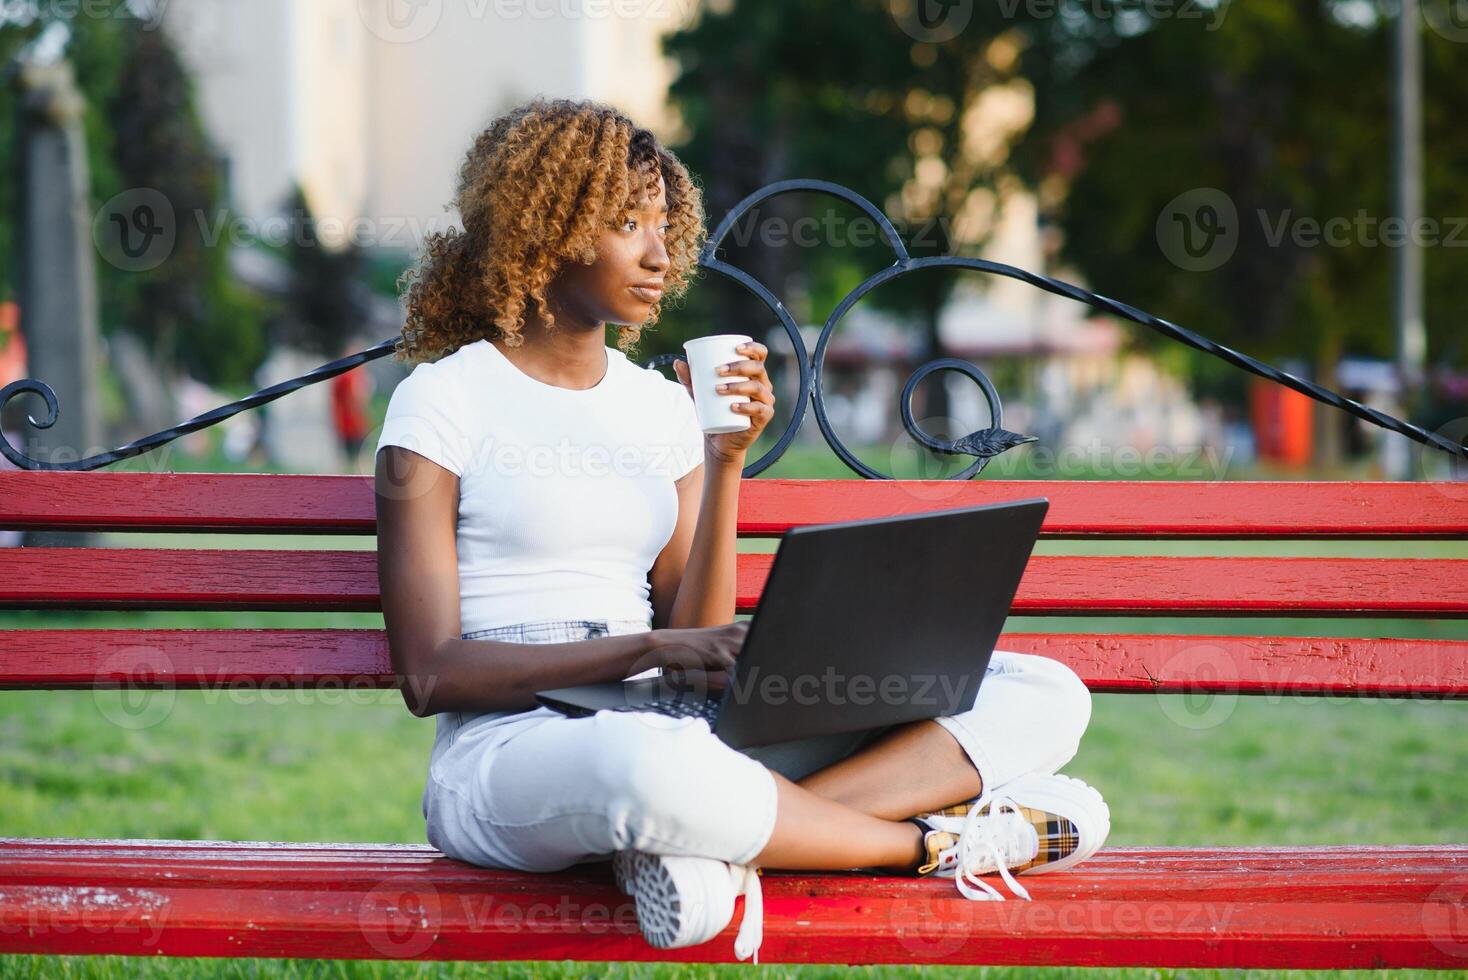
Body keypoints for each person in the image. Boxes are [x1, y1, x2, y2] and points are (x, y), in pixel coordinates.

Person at [373, 98, 1108, 962]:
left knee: (1043, 692)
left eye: (663, 224)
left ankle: (712, 846)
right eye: (627, 225)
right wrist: (642, 655)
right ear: (545, 229)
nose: (660, 254)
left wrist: (723, 461)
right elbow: (430, 673)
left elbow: (689, 632)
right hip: (509, 750)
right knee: (646, 767)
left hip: (666, 718)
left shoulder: (655, 406)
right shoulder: (442, 400)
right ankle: (932, 845)